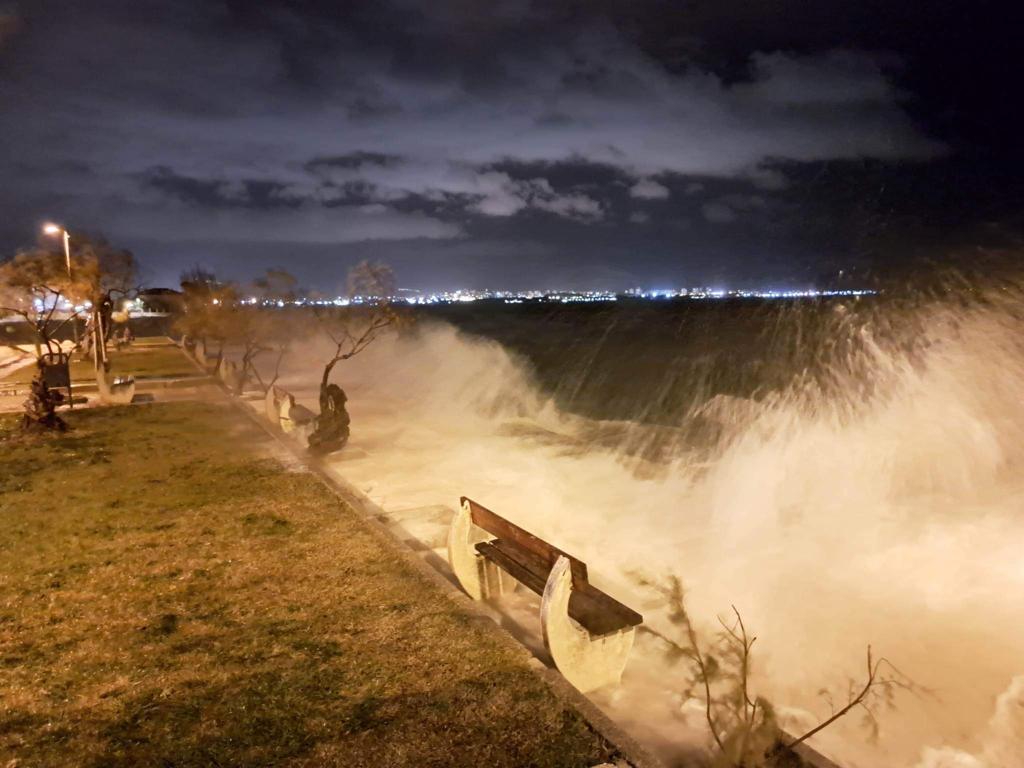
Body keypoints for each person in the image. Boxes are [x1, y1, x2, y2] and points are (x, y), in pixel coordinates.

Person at [22, 359, 67, 432]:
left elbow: (40, 391)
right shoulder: (45, 378)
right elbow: (46, 393)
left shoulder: (38, 375)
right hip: (40, 410)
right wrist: (57, 398)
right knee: (58, 427)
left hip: (34, 408)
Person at [307, 383, 350, 454]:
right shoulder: (332, 411)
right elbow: (325, 415)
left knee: (314, 446)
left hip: (336, 440)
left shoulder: (341, 414)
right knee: (313, 440)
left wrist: (319, 437)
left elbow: (332, 428)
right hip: (330, 437)